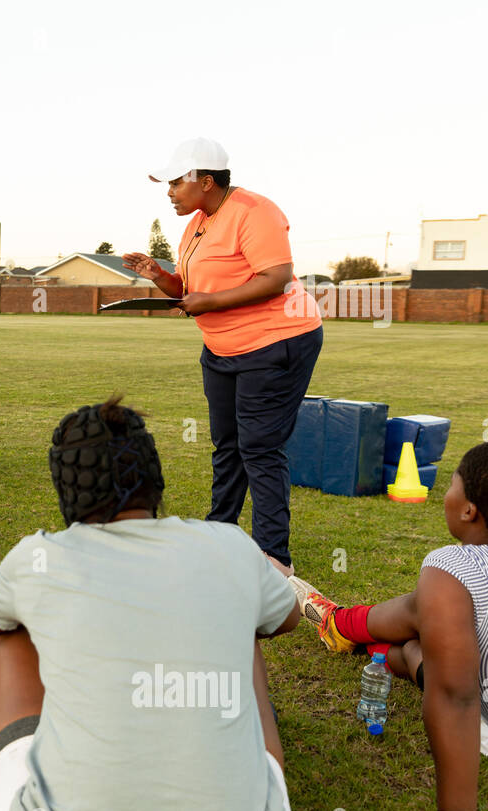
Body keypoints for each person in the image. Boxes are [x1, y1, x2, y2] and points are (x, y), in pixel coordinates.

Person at [0, 397, 307, 811]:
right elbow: (287, 617)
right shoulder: (229, 546)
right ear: (155, 479)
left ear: (66, 491)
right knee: (246, 628)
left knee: (14, 645)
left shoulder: (39, 558)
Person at [292, 439, 488, 811]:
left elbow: (455, 695)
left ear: (468, 511)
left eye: (454, 482)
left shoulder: (455, 565)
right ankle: (348, 628)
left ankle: (355, 631)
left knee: (424, 623)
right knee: (434, 608)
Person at [123, 137, 323, 575]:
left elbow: (276, 278)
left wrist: (211, 303)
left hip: (276, 342)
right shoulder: (197, 222)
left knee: (259, 447)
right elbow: (188, 288)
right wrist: (158, 275)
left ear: (205, 181)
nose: (170, 191)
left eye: (176, 183)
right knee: (227, 444)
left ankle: (275, 557)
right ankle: (220, 533)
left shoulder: (255, 211)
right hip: (221, 348)